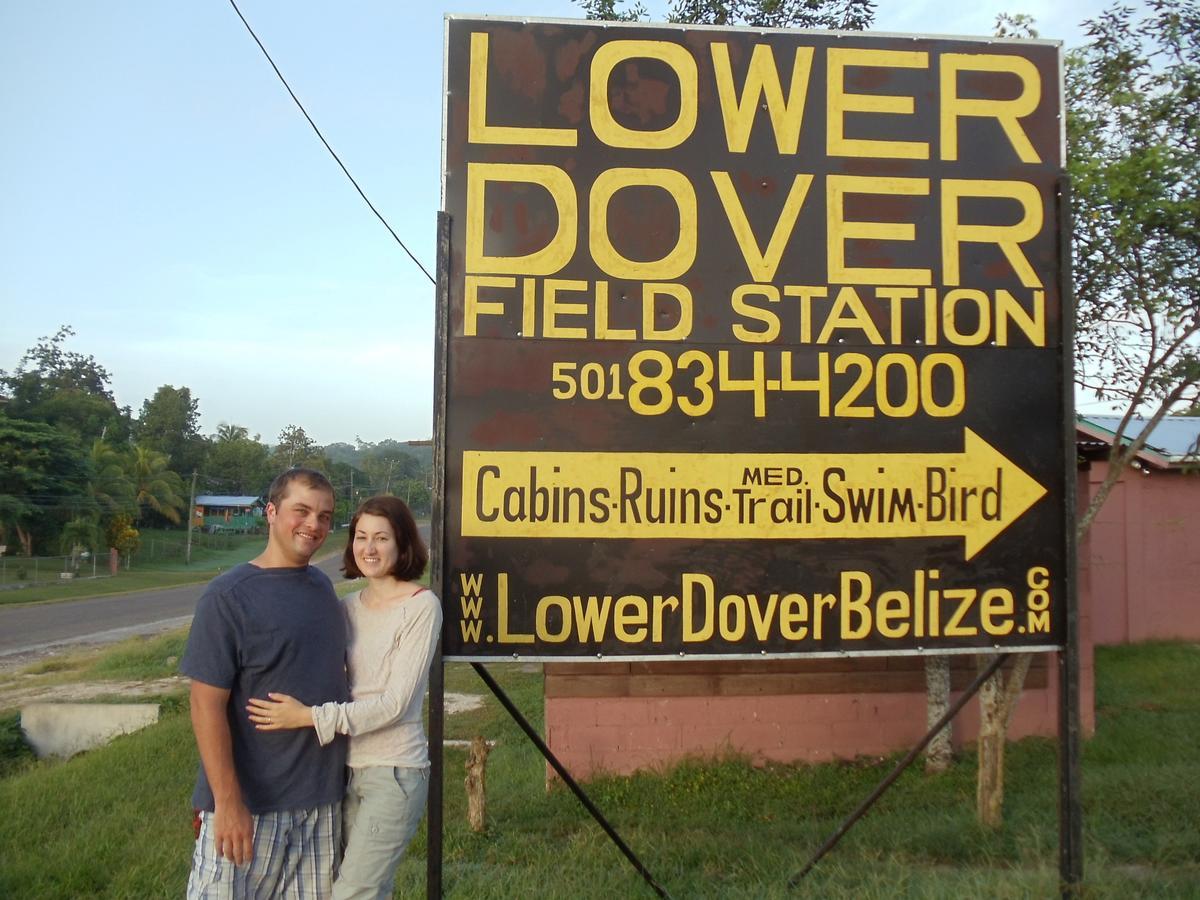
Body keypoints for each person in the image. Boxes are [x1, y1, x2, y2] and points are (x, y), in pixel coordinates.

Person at [247, 495, 442, 900]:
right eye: (361, 537)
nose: (369, 549)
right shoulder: (346, 607)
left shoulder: (421, 607)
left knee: (353, 893)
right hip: (341, 770)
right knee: (358, 888)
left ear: (403, 544)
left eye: (382, 538)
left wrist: (307, 717)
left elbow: (395, 705)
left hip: (394, 772)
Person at [181, 467, 349, 899]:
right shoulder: (227, 596)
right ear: (272, 512)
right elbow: (205, 706)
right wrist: (228, 804)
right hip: (249, 809)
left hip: (320, 805)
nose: (314, 525)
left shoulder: (321, 589)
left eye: (325, 516)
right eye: (302, 511)